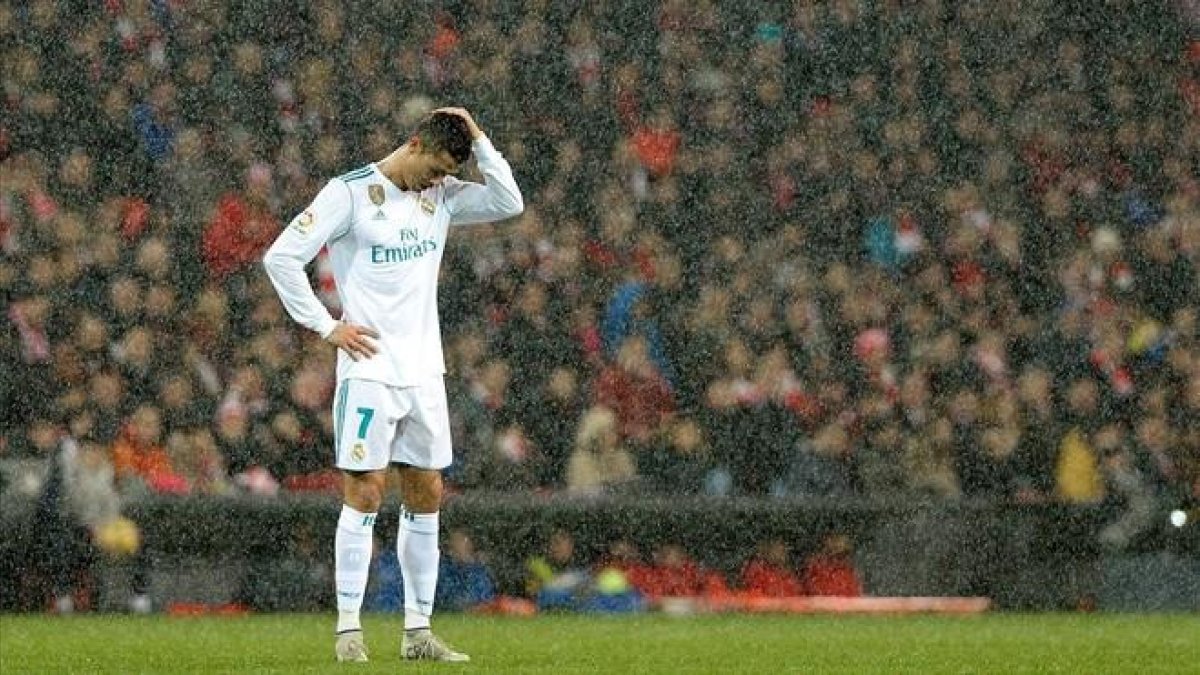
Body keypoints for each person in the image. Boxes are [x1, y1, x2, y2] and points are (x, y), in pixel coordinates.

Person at [263, 107, 523, 663]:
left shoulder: (444, 195)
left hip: (425, 370)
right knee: (364, 492)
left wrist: (477, 135)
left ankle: (417, 632)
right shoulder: (349, 193)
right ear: (413, 144)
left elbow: (508, 200)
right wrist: (327, 326)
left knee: (428, 493)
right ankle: (349, 630)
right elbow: (281, 256)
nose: (436, 182)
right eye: (432, 169)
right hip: (370, 370)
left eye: (444, 175)